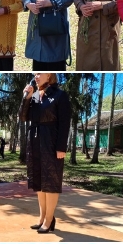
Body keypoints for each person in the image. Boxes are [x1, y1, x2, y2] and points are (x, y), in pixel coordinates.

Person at [19, 73, 71, 234]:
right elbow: (23, 117)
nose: (36, 76)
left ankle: (49, 220)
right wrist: (25, 98)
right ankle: (42, 217)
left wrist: (61, 147)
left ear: (50, 76)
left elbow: (64, 123)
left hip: (51, 141)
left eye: (40, 73)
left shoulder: (60, 95)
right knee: (39, 182)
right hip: (35, 141)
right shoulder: (34, 96)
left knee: (51, 182)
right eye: (35, 73)